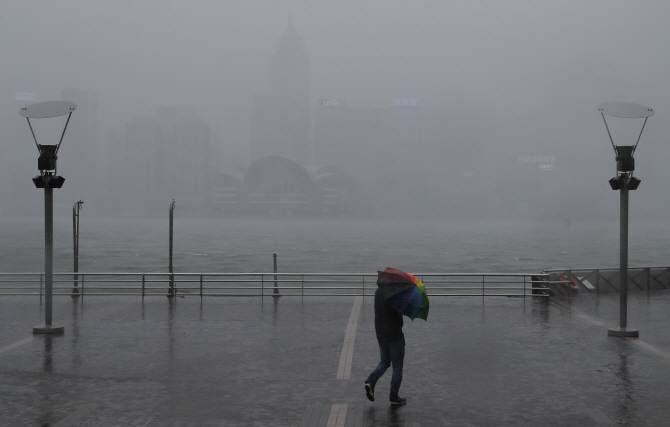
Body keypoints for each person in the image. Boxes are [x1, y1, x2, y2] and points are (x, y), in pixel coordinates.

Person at [364, 285, 407, 406]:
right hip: (395, 335)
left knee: (384, 362)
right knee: (397, 366)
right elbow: (399, 312)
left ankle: (370, 381)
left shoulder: (378, 291)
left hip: (381, 333)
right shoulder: (396, 295)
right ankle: (394, 397)